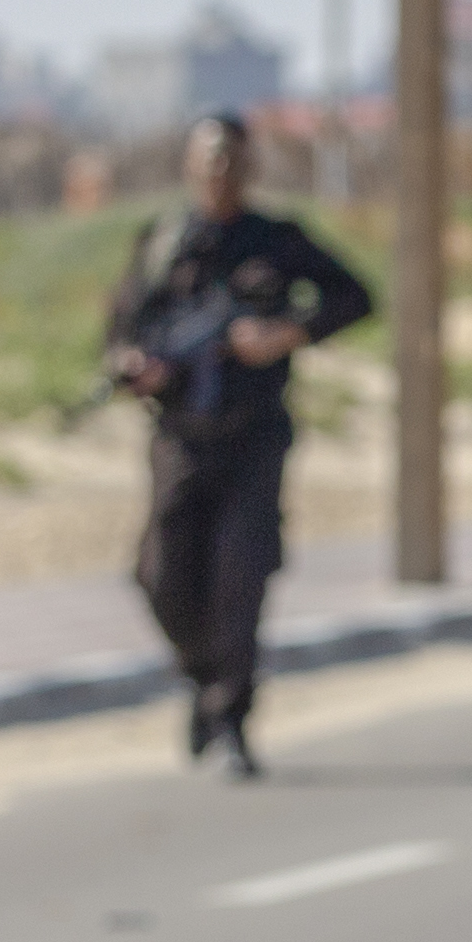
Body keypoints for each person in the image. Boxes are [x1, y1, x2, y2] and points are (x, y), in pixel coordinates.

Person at [104, 111, 373, 779]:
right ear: (190, 166)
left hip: (254, 435)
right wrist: (141, 367)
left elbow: (355, 297)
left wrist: (286, 333)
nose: (219, 170)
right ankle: (202, 678)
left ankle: (231, 719)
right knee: (161, 574)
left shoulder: (274, 240)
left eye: (231, 158)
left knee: (240, 578)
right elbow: (120, 333)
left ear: (249, 166)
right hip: (180, 438)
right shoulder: (164, 242)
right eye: (208, 158)